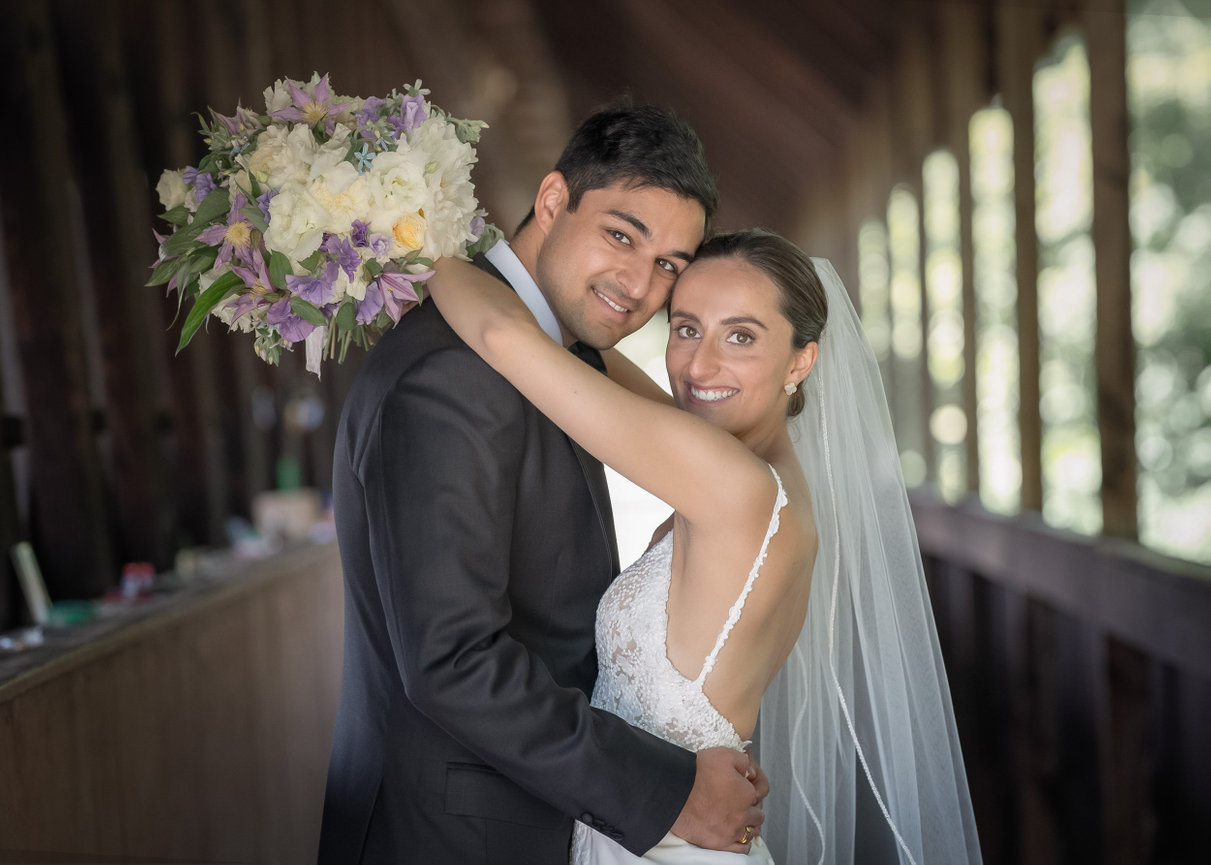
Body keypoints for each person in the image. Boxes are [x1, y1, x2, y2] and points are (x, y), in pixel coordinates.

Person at [428, 229, 984, 863]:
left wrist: (417, 239)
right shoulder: (759, 474)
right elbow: (588, 356)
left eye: (741, 337)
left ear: (801, 361)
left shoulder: (735, 486)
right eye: (686, 328)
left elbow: (504, 337)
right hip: (658, 828)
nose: (700, 366)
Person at [317, 106, 768, 864]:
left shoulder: (552, 357)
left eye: (668, 265)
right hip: (452, 836)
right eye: (622, 235)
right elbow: (452, 662)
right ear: (554, 199)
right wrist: (667, 790)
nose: (637, 284)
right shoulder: (454, 374)